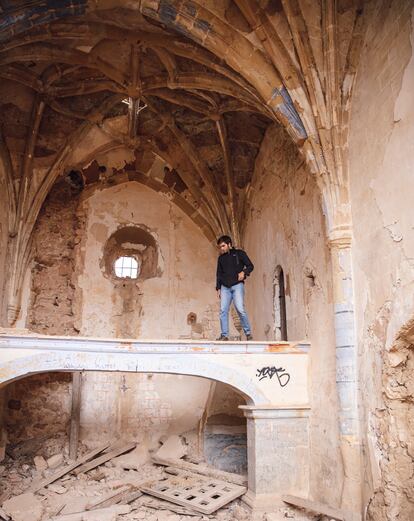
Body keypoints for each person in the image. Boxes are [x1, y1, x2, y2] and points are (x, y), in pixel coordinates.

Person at [215, 235, 254, 341]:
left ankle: (248, 333)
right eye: (220, 247)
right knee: (223, 310)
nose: (221, 248)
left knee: (240, 309)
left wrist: (244, 272)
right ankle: (224, 335)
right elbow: (218, 274)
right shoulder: (221, 258)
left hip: (237, 285)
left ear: (229, 244)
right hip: (225, 287)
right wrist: (218, 288)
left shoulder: (240, 254)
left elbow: (250, 266)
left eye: (223, 246)